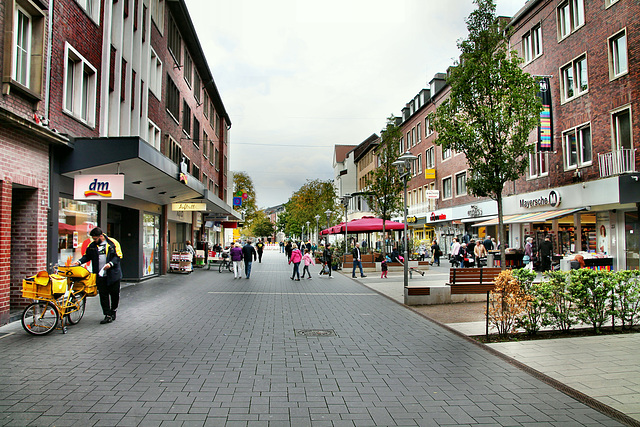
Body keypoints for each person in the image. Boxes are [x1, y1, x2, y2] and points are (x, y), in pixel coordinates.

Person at [74, 227, 123, 324]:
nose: (94, 240)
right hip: (100, 275)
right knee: (103, 295)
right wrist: (79, 262)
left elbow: (118, 256)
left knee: (114, 294)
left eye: (95, 238)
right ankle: (107, 314)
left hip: (113, 274)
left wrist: (110, 264)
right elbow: (87, 256)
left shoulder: (112, 243)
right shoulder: (92, 245)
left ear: (101, 236)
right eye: (93, 238)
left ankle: (113, 310)